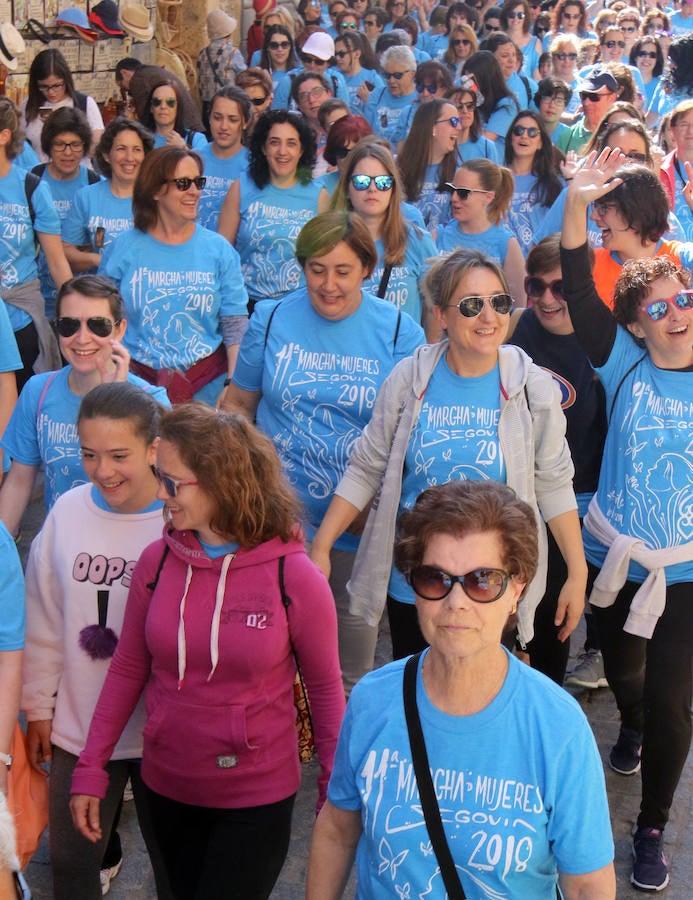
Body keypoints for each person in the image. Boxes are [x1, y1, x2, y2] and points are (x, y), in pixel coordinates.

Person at [69, 404, 346, 899]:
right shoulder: (157, 561)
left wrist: (334, 789)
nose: (159, 494)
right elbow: (129, 667)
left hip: (256, 799)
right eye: (159, 476)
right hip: (165, 785)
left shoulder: (295, 577)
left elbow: (326, 690)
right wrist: (92, 766)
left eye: (171, 482)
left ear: (222, 483)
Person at [307, 479, 616, 899]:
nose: (456, 603)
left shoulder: (558, 727)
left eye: (482, 581)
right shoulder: (372, 701)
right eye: (435, 579)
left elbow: (587, 885)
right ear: (412, 588)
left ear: (516, 590)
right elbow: (338, 831)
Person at [310, 248, 585, 659]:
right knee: (420, 694)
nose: (489, 317)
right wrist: (321, 545)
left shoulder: (530, 385)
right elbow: (367, 467)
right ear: (441, 316)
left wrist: (577, 573)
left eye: (499, 302)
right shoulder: (410, 378)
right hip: (419, 585)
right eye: (472, 305)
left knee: (482, 702)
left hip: (492, 586)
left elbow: (554, 482)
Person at [561, 146, 693, 895]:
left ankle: (649, 825)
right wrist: (577, 204)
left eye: (682, 300)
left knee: (674, 699)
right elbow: (579, 282)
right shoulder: (620, 365)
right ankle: (631, 719)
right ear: (636, 326)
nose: (673, 313)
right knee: (622, 673)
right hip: (614, 557)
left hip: (682, 570)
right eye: (656, 307)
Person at [223, 211, 424, 691]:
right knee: (264, 665)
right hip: (273, 525)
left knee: (346, 674)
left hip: (357, 530)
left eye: (342, 271)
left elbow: (407, 440)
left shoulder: (399, 333)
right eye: (316, 269)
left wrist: (370, 506)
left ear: (366, 270)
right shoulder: (270, 318)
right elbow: (237, 405)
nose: (328, 284)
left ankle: (339, 763)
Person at [21, 383, 171, 900]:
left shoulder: (182, 517)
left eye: (119, 455)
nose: (102, 470)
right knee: (70, 862)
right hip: (82, 724)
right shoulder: (66, 512)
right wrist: (39, 705)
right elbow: (42, 615)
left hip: (165, 732)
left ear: (155, 449)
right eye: (89, 454)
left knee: (175, 864)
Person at [506, 234, 607, 684]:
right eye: (535, 286)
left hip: (574, 501)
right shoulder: (511, 327)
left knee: (551, 620)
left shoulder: (603, 343)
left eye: (561, 288)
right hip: (511, 495)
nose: (547, 299)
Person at [0, 275, 169, 535]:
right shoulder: (38, 391)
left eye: (97, 326)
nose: (82, 338)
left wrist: (115, 399)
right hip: (63, 545)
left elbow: (162, 488)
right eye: (68, 325)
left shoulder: (151, 400)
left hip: (132, 549)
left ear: (120, 329)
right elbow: (20, 482)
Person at [100, 146, 248, 406]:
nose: (195, 191)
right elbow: (103, 318)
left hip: (208, 386)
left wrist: (232, 383)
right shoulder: (123, 248)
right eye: (183, 183)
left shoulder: (219, 250)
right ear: (156, 190)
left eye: (198, 182)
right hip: (136, 385)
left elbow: (234, 323)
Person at [218, 110, 329, 311]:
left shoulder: (319, 196)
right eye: (274, 142)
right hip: (246, 304)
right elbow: (222, 253)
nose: (282, 151)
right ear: (263, 147)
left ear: (302, 150)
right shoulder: (241, 188)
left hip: (299, 306)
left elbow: (327, 259)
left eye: (291, 143)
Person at [331, 140, 437, 332]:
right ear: (347, 187)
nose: (372, 189)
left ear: (393, 189)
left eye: (383, 182)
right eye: (362, 181)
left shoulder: (418, 241)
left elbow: (434, 310)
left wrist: (425, 357)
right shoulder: (329, 243)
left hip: (403, 357)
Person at [0, 97, 69, 389]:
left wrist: (77, 314)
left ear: (4, 135)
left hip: (20, 318)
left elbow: (55, 261)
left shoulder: (31, 187)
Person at [62, 117, 154, 274]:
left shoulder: (157, 198)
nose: (129, 157)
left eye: (137, 149)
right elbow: (65, 251)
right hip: (100, 293)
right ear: (106, 155)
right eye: (121, 149)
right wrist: (96, 260)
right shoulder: (87, 197)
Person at [31, 107, 99, 318]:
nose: (68, 153)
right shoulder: (32, 180)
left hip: (83, 291)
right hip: (39, 295)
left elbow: (99, 239)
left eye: (75, 145)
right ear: (49, 146)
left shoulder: (93, 182)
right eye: (60, 145)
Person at [435, 159, 526, 303]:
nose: (454, 198)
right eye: (452, 190)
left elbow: (517, 305)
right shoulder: (438, 235)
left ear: (488, 197)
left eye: (463, 193)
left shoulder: (506, 244)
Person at [21, 48, 103, 161]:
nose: (51, 92)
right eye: (44, 87)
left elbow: (97, 146)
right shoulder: (28, 105)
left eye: (56, 85)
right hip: (38, 174)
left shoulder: (85, 103)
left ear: (66, 79)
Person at [504, 109, 563, 256]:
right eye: (518, 130)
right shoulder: (494, 178)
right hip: (497, 265)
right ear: (511, 137)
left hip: (535, 266)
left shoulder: (553, 185)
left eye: (532, 132)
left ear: (540, 143)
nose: (524, 136)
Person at [398, 98, 460, 229]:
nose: (459, 127)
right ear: (432, 127)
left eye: (459, 121)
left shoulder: (459, 173)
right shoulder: (397, 168)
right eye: (453, 121)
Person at [196, 87, 251, 232]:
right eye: (217, 117)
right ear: (209, 118)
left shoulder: (253, 165)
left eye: (233, 119)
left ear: (245, 122)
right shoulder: (193, 160)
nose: (223, 126)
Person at [114, 58, 204, 134]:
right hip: (191, 125)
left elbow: (144, 117)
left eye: (122, 85)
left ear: (124, 73)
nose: (125, 90)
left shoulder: (138, 79)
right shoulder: (149, 72)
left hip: (184, 130)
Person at [196, 9, 246, 133]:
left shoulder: (203, 54)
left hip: (206, 106)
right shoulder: (233, 52)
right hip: (227, 104)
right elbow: (244, 76)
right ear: (228, 32)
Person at [362, 45, 418, 148]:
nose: (391, 81)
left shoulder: (420, 99)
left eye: (397, 75)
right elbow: (366, 135)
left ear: (412, 74)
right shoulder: (377, 96)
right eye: (387, 75)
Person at [463, 50, 521, 143]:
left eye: (471, 79)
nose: (468, 84)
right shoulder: (470, 102)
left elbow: (486, 139)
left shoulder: (507, 104)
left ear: (484, 79)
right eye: (465, 79)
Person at [140, 80, 207, 151]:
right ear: (151, 107)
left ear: (178, 107)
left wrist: (184, 148)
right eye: (157, 102)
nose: (163, 106)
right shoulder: (140, 139)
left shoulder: (197, 139)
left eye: (170, 102)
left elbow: (203, 162)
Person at [660, 99, 693, 241]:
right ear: (672, 130)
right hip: (671, 256)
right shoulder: (659, 170)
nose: (690, 130)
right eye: (684, 124)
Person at [447, 78, 502, 161]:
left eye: (469, 106)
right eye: (458, 106)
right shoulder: (440, 145)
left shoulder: (487, 147)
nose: (465, 111)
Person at [333, 31, 383, 115]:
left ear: (357, 54)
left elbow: (382, 111)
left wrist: (369, 102)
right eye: (335, 54)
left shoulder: (372, 78)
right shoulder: (333, 77)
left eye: (342, 54)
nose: (337, 58)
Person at [501, 0, 542, 77]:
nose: (516, 19)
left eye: (520, 15)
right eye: (512, 15)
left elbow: (537, 77)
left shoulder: (535, 43)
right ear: (505, 16)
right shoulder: (497, 40)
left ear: (525, 17)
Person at [630, 34, 664, 110]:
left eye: (652, 55)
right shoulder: (626, 83)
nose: (647, 58)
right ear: (635, 56)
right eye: (642, 54)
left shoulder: (661, 85)